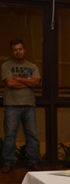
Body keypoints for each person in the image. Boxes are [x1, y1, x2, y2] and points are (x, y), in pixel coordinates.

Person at [2, 40, 41, 173]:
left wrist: (19, 79)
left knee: (32, 134)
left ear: (25, 50)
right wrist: (28, 82)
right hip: (12, 105)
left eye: (20, 49)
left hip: (29, 105)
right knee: (10, 135)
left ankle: (33, 161)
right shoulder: (6, 66)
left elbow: (36, 82)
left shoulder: (32, 66)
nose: (18, 52)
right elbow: (10, 83)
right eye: (15, 50)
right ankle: (8, 162)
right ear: (11, 52)